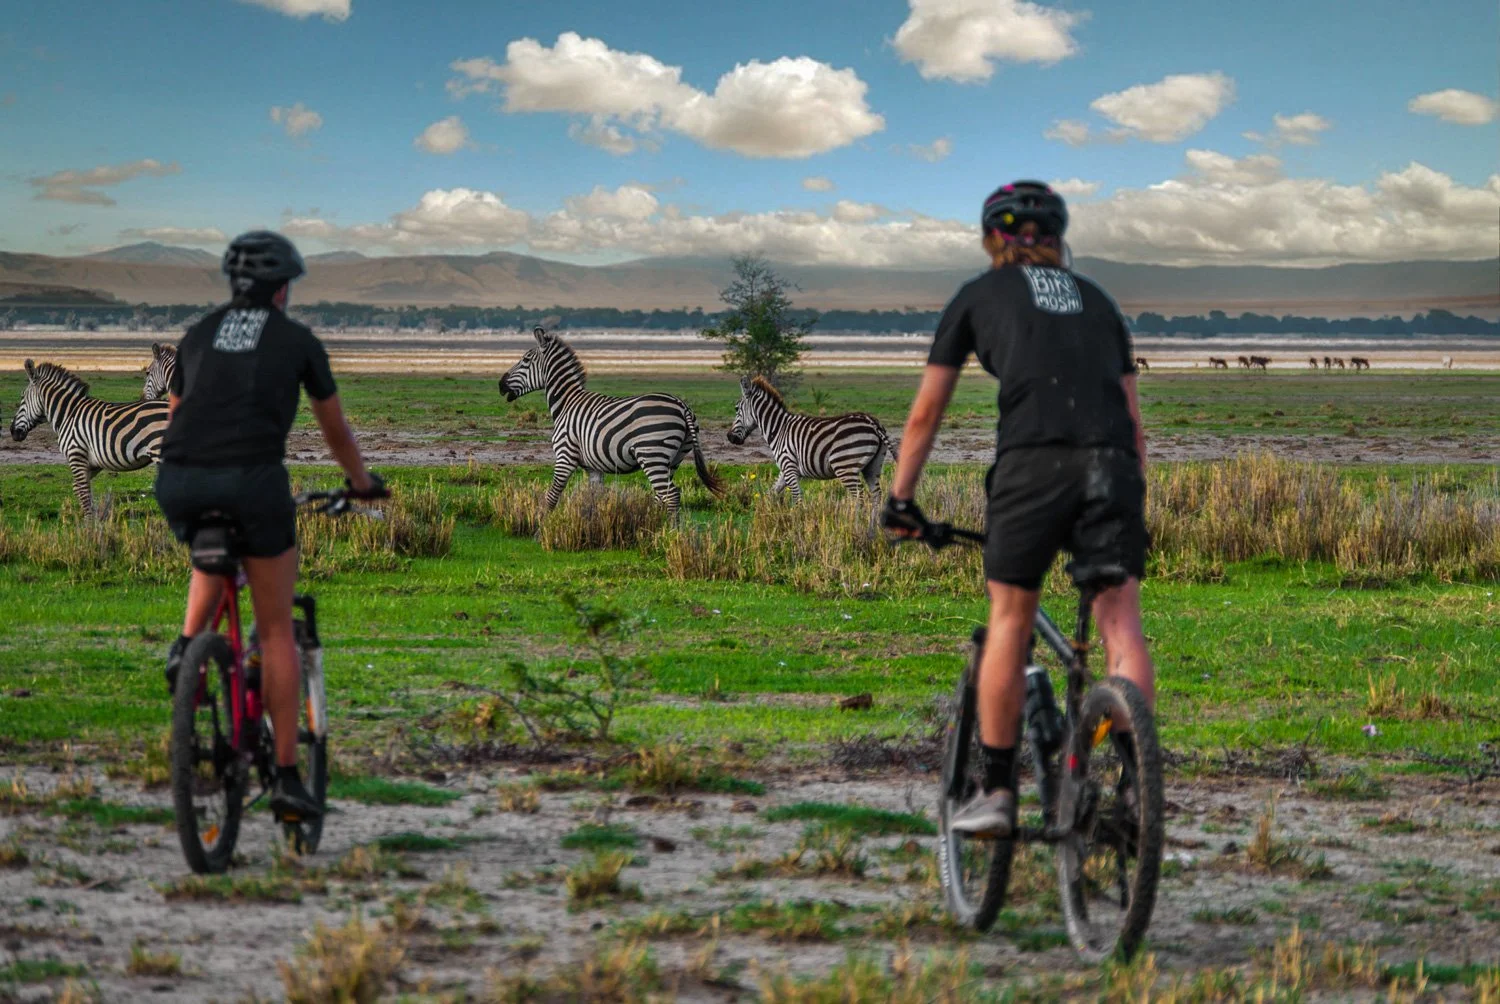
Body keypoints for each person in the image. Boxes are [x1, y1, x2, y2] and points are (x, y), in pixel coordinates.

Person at [881, 181, 1152, 837]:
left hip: (1032, 467)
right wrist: (1126, 496)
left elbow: (924, 413)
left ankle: (999, 793)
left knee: (1011, 617)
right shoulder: (1101, 302)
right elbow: (1135, 425)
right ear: (1059, 240)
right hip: (1111, 467)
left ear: (991, 240)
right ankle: (1132, 782)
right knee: (1122, 628)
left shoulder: (978, 295)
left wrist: (900, 499)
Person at [155, 231, 386, 822]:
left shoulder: (196, 335)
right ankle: (285, 778)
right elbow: (335, 430)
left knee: (210, 549)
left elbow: (179, 419)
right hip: (253, 485)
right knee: (276, 629)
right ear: (282, 289)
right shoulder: (297, 340)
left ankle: (187, 648)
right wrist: (360, 481)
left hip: (179, 482)